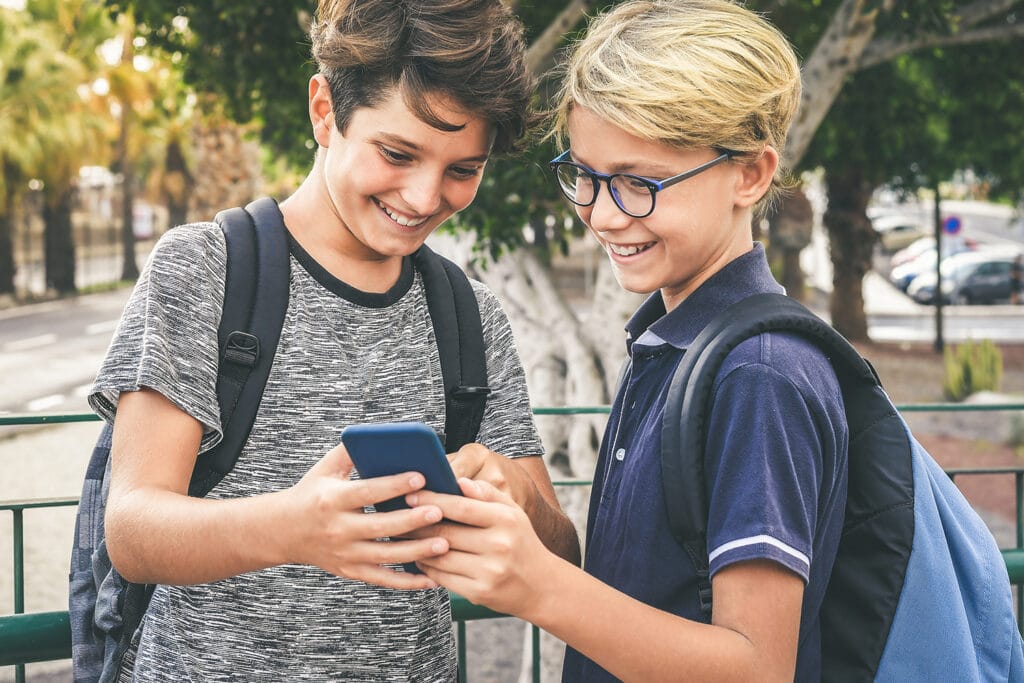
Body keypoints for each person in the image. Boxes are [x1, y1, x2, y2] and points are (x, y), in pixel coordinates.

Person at [91, 0, 579, 680]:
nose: (423, 195)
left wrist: (519, 503)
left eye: (463, 170)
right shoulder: (202, 268)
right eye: (397, 152)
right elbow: (134, 532)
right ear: (325, 110)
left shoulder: (471, 315)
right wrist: (294, 525)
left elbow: (561, 556)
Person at [411, 1, 848, 681]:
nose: (605, 214)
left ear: (751, 174)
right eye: (585, 176)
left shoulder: (759, 372)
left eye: (640, 183)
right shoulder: (675, 345)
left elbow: (757, 666)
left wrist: (536, 586)